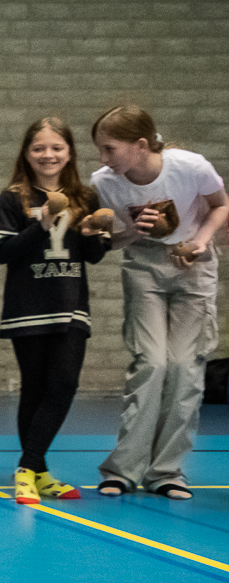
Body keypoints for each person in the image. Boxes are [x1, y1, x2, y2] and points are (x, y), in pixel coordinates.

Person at [88, 104, 228, 500]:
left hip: (193, 265)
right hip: (144, 265)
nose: (103, 159)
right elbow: (107, 243)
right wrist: (131, 231)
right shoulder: (105, 182)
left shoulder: (190, 166)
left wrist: (201, 242)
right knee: (151, 362)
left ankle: (167, 470)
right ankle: (123, 468)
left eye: (109, 149)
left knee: (185, 367)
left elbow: (221, 205)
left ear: (141, 145)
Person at [0, 118, 112, 504]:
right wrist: (40, 224)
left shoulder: (86, 197)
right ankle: (37, 473)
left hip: (71, 306)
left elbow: (93, 257)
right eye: (39, 148)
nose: (48, 155)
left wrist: (94, 234)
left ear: (70, 153)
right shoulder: (12, 198)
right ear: (26, 154)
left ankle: (27, 468)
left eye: (56, 148)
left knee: (63, 386)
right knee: (35, 390)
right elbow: (2, 252)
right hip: (27, 308)